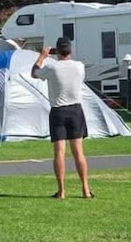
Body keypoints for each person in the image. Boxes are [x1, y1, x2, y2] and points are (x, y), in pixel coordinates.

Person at [31, 37, 93, 199]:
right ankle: (85, 189)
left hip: (58, 111)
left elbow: (34, 73)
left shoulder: (52, 67)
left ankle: (61, 190)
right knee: (78, 152)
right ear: (70, 51)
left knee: (59, 152)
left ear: (57, 52)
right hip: (76, 110)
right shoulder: (79, 66)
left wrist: (42, 56)